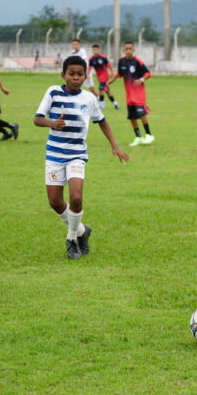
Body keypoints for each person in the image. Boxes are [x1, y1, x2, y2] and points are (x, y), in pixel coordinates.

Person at [34, 55, 129, 259]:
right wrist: (52, 123)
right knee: (55, 202)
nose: (75, 78)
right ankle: (81, 231)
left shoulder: (89, 98)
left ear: (85, 77)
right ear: (63, 75)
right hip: (54, 155)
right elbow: (37, 120)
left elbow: (102, 121)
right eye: (71, 74)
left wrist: (115, 146)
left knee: (76, 197)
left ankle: (71, 240)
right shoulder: (53, 92)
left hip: (77, 155)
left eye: (80, 75)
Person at [108, 41, 154, 146]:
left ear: (133, 50)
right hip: (129, 96)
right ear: (123, 50)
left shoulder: (138, 61)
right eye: (126, 49)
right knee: (132, 117)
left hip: (139, 95)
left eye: (130, 49)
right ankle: (138, 137)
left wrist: (141, 80)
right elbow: (119, 73)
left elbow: (148, 74)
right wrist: (111, 80)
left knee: (141, 114)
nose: (128, 51)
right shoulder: (121, 61)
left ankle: (149, 135)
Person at [89, 44, 120, 110]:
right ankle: (115, 104)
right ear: (92, 51)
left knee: (100, 90)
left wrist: (112, 73)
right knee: (107, 92)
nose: (95, 51)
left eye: (96, 50)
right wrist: (87, 75)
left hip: (105, 77)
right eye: (94, 50)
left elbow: (109, 65)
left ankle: (101, 105)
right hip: (99, 78)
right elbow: (89, 68)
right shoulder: (91, 59)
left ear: (99, 50)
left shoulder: (103, 57)